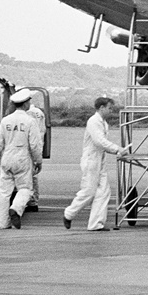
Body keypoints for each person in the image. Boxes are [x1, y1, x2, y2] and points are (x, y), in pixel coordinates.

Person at [63, 97, 130, 232]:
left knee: (103, 192)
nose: (111, 111)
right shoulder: (93, 121)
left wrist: (116, 150)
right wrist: (118, 149)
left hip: (100, 159)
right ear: (101, 108)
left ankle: (96, 224)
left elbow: (102, 144)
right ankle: (69, 214)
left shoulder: (103, 123)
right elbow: (99, 141)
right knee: (89, 191)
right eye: (109, 108)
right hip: (91, 160)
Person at [0, 88, 44, 230]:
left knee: (3, 193)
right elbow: (35, 145)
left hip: (6, 157)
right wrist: (38, 161)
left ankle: (4, 223)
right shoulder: (30, 121)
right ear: (26, 104)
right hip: (22, 157)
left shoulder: (5, 120)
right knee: (25, 189)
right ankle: (16, 208)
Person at [25, 99, 46, 212]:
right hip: (38, 145)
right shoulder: (39, 113)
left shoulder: (27, 114)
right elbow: (43, 130)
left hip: (26, 146)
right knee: (33, 175)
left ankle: (28, 199)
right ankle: (33, 201)